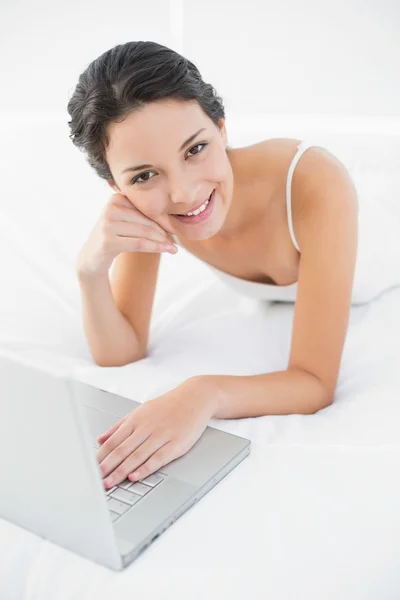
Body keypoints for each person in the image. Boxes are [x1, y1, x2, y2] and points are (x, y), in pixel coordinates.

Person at [67, 40, 400, 489]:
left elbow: (314, 382)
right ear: (116, 185)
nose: (183, 192)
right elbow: (120, 353)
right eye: (144, 175)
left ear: (222, 130)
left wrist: (201, 393)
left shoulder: (315, 184)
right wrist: (89, 272)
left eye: (195, 149)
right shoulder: (149, 210)